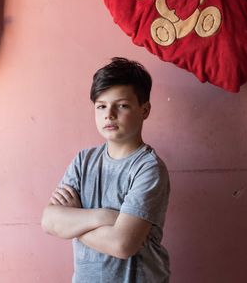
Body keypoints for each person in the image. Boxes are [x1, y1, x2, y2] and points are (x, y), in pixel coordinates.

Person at [41, 58, 171, 282]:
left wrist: (74, 221)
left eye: (121, 105)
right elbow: (49, 222)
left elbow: (122, 244)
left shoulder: (148, 168)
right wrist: (104, 216)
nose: (109, 114)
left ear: (145, 109)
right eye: (101, 106)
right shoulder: (83, 161)